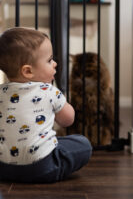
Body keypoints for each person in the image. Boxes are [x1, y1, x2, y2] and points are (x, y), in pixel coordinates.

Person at [0, 27, 92, 183]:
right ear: (28, 71)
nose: (55, 64)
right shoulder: (49, 91)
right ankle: (52, 169)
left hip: (4, 168)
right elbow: (68, 120)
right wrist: (60, 101)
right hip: (41, 167)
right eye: (49, 60)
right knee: (83, 144)